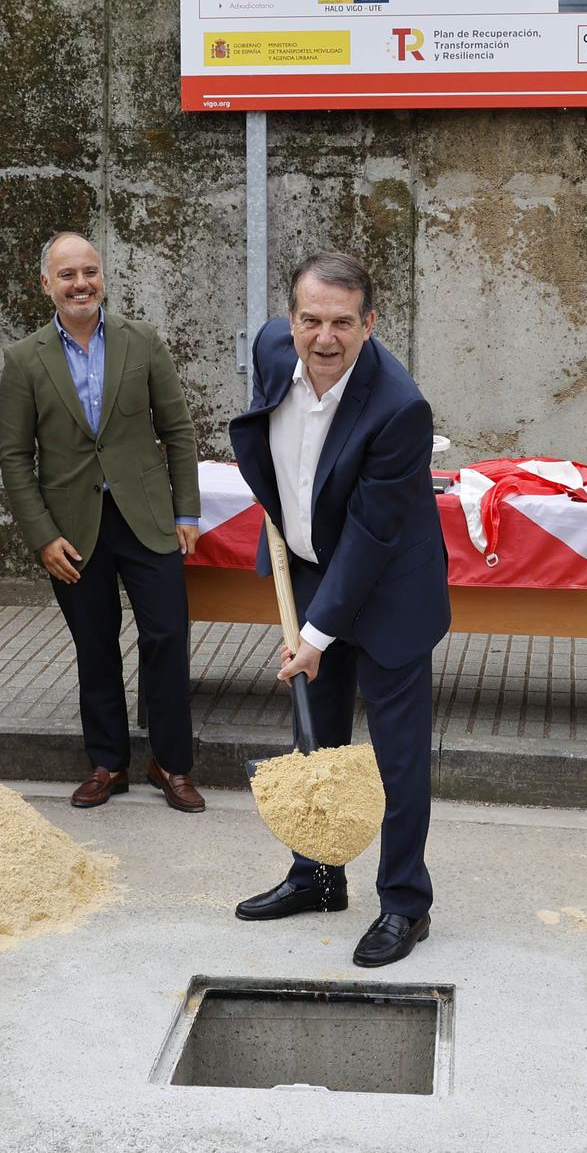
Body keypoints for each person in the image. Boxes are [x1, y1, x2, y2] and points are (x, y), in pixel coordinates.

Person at [229, 252, 449, 968]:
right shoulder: (272, 348)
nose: (325, 339)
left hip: (389, 588)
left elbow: (373, 533)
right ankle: (316, 876)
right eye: (311, 321)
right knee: (314, 743)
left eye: (343, 324)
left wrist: (317, 634)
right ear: (291, 319)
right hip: (313, 565)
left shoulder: (399, 407)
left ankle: (405, 904)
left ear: (371, 323)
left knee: (397, 756)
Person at [0, 232, 205, 812]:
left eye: (90, 271)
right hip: (71, 529)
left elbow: (178, 431)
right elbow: (14, 458)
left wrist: (185, 509)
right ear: (47, 285)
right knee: (95, 643)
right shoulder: (23, 359)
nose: (81, 283)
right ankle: (108, 763)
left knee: (167, 635)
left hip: (147, 520)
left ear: (103, 278)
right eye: (67, 275)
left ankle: (171, 762)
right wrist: (41, 536)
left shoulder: (142, 342)